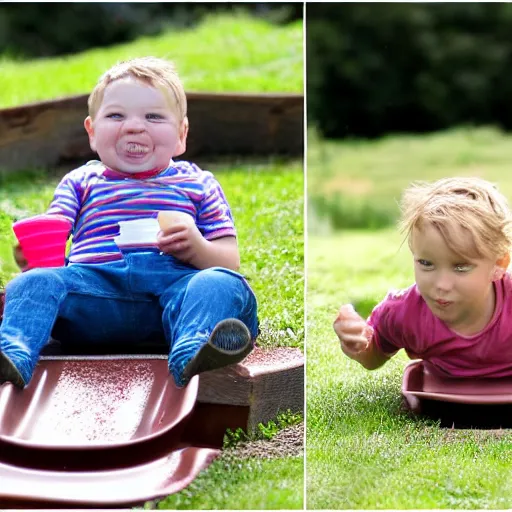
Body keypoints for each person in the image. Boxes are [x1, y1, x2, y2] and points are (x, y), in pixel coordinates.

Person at [0, 56, 258, 389]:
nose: (135, 126)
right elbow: (52, 232)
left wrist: (197, 247)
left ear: (181, 135)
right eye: (116, 115)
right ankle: (13, 354)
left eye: (153, 116)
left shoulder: (198, 183)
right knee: (31, 283)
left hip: (175, 299)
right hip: (96, 299)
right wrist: (33, 260)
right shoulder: (81, 181)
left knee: (223, 285)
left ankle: (194, 350)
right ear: (92, 132)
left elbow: (229, 260)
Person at [334, 177, 512, 378]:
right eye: (426, 264)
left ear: (498, 265)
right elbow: (374, 355)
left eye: (461, 267)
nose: (441, 285)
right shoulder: (404, 312)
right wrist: (358, 343)